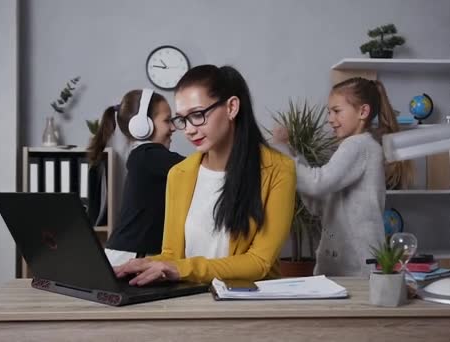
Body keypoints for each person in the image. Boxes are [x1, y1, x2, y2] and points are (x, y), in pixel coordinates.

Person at [114, 65, 296, 286]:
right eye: (182, 119)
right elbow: (172, 255)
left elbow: (260, 262)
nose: (189, 129)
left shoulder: (278, 170)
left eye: (198, 115)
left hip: (248, 307)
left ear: (231, 107)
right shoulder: (179, 174)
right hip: (190, 304)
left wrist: (181, 268)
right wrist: (143, 265)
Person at [273, 77, 412, 277]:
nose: (330, 118)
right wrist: (292, 153)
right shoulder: (357, 147)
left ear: (362, 112)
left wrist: (284, 154)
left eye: (336, 111)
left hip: (355, 264)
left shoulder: (358, 146)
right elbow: (318, 204)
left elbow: (316, 183)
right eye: (329, 112)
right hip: (342, 261)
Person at [88, 88, 184, 266]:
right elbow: (196, 167)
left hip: (131, 253)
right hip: (131, 255)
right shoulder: (148, 155)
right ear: (142, 126)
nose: (172, 127)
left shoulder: (143, 156)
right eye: (166, 121)